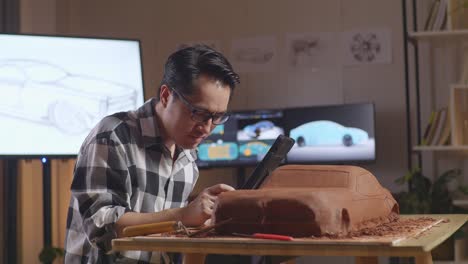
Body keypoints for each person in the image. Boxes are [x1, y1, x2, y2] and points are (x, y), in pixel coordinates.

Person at [64, 45, 240, 263]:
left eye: (217, 117)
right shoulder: (112, 136)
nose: (206, 128)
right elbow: (100, 228)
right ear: (166, 96)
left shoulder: (187, 157)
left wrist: (203, 225)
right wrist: (184, 215)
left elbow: (168, 240)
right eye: (198, 113)